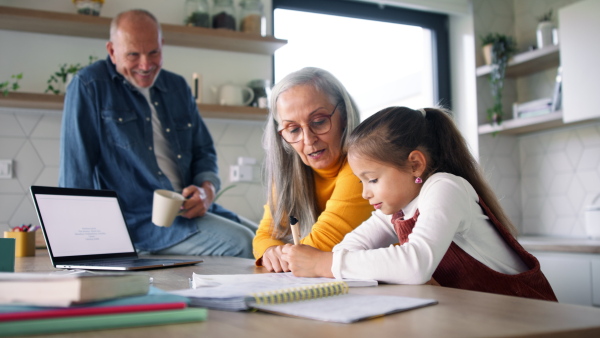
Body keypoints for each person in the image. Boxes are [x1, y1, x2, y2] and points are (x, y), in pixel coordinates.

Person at [281, 106, 557, 301]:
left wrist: (325, 264)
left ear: (415, 164)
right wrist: (329, 262)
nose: (365, 193)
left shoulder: (444, 188)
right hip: (481, 314)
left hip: (527, 313)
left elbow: (416, 263)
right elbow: (348, 249)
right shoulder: (399, 207)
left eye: (372, 179)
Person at [59, 9, 256, 258]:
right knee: (244, 243)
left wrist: (206, 191)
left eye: (154, 52)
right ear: (112, 51)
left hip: (189, 213)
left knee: (270, 241)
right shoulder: (89, 86)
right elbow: (75, 175)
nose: (146, 64)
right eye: (133, 54)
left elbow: (203, 150)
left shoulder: (177, 87)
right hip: (138, 225)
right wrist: (80, 249)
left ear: (162, 44)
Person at [253, 67, 373, 271]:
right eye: (293, 129)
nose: (308, 140)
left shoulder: (362, 167)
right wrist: (270, 251)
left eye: (318, 122)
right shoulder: (289, 174)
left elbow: (323, 242)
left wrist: (282, 256)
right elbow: (264, 237)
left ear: (343, 116)